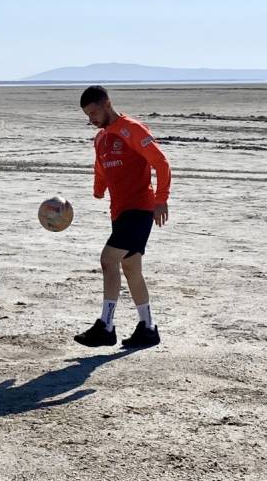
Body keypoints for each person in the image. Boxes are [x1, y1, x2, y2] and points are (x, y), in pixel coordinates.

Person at [74, 86, 171, 349]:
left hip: (140, 210)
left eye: (94, 112)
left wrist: (161, 199)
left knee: (108, 260)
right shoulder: (101, 139)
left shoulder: (132, 129)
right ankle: (148, 328)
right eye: (87, 115)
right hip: (119, 212)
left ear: (107, 104)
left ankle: (106, 326)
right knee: (131, 269)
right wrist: (97, 189)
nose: (91, 119)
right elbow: (101, 168)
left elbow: (160, 162)